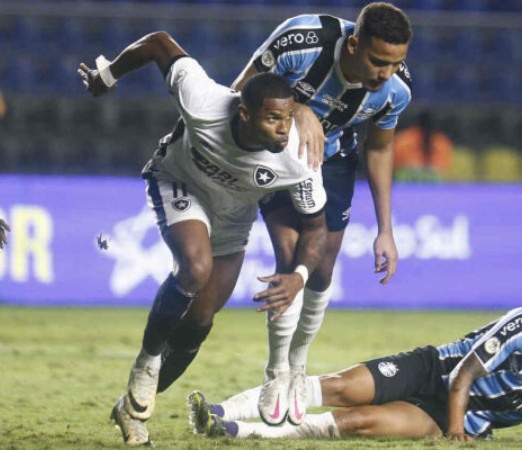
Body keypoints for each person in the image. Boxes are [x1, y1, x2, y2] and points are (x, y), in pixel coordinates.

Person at [78, 31, 328, 446]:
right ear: (244, 114)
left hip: (233, 216)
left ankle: (132, 407)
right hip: (178, 183)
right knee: (195, 269)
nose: (284, 130)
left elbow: (316, 228)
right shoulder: (204, 101)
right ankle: (147, 361)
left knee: (200, 319)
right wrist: (108, 73)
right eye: (273, 119)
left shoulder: (299, 158)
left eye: (287, 118)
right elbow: (159, 43)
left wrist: (300, 274)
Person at [230, 2, 413, 425]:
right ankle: (276, 371)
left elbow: (381, 148)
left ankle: (298, 366)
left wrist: (386, 229)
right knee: (291, 253)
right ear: (353, 44)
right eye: (377, 60)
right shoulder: (301, 40)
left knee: (322, 271)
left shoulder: (397, 89)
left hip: (332, 162)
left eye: (396, 63)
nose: (385, 72)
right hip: (275, 155)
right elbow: (242, 90)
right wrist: (299, 109)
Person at [187, 306, 522, 444]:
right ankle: (220, 408)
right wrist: (456, 432)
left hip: (459, 416)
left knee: (360, 423)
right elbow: (463, 377)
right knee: (342, 389)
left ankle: (236, 432)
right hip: (435, 370)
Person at [393, 110, 453, 181]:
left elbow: (443, 169)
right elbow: (395, 166)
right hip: (406, 182)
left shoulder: (441, 142)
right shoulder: (404, 140)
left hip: (434, 183)